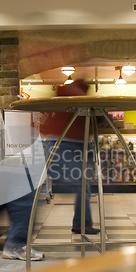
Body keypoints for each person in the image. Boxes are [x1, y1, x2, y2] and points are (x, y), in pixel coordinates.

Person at [39, 80, 100, 235]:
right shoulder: (70, 90)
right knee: (80, 185)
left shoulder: (78, 91)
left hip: (74, 143)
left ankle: (82, 224)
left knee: (82, 185)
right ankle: (82, 224)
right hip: (65, 143)